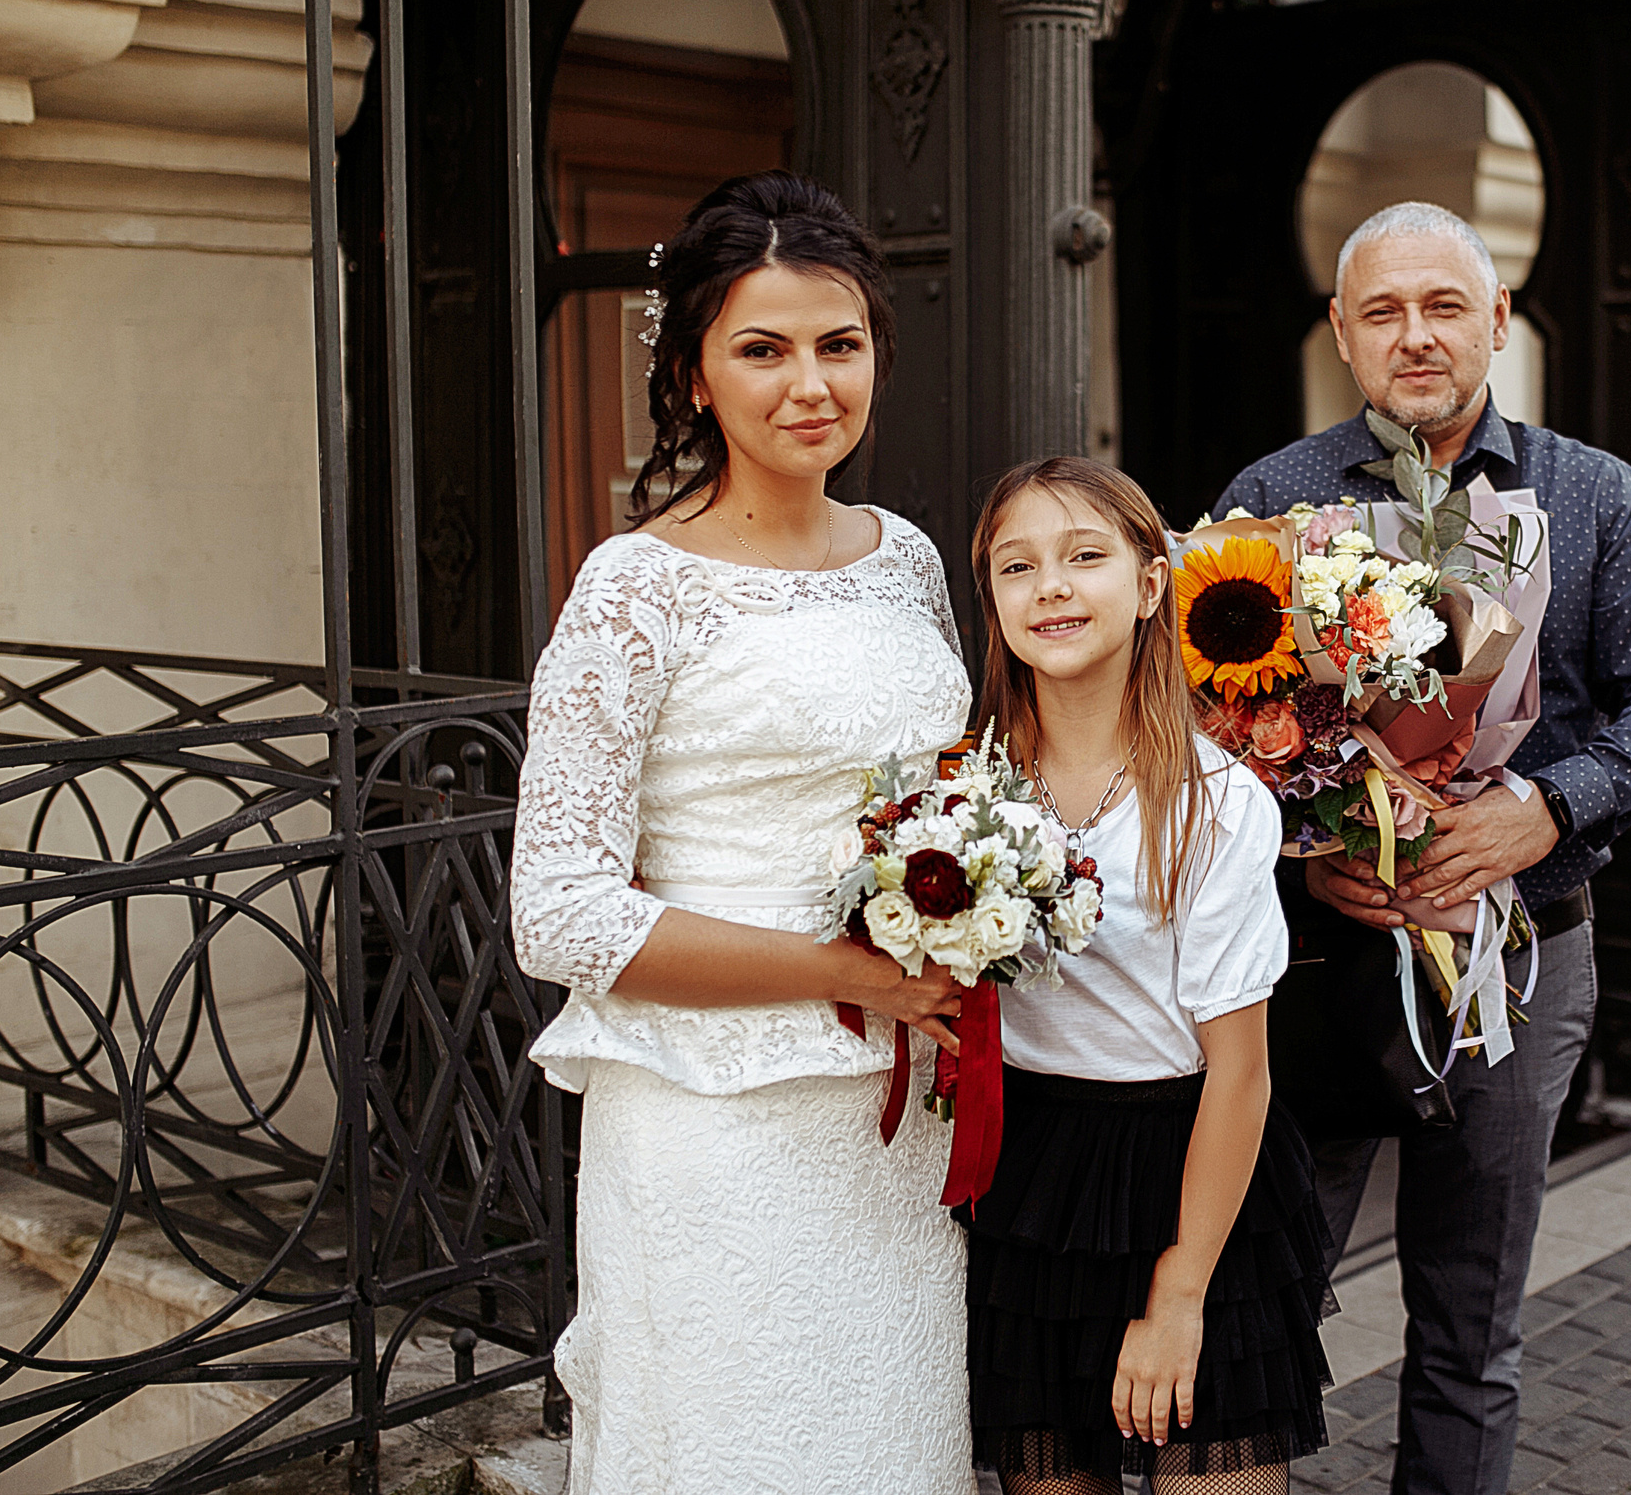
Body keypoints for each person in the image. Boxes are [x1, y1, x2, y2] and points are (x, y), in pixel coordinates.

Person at [1211, 201, 1631, 1495]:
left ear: (1497, 319)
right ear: (1340, 331)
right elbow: (1198, 742)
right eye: (1382, 310)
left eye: (1445, 306)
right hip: (1315, 969)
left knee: (1467, 1331)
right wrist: (1300, 848)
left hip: (1524, 963)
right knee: (1260, 1297)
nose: (1416, 335)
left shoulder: (1594, 495)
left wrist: (1543, 807)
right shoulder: (1270, 501)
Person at [509, 170, 976, 1495]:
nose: (808, 381)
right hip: (713, 1120)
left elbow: (949, 800)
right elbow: (561, 911)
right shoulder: (635, 586)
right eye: (762, 349)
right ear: (697, 375)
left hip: (900, 1117)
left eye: (839, 343)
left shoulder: (910, 558)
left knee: (892, 1444)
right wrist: (841, 973)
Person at [962, 456, 1336, 1495]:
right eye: (1016, 564)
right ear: (990, 597)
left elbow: (1240, 1073)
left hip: (1189, 1169)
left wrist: (1179, 1296)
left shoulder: (1211, 802)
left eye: (1085, 555)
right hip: (1032, 1181)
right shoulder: (963, 784)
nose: (1052, 586)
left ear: (1149, 584)